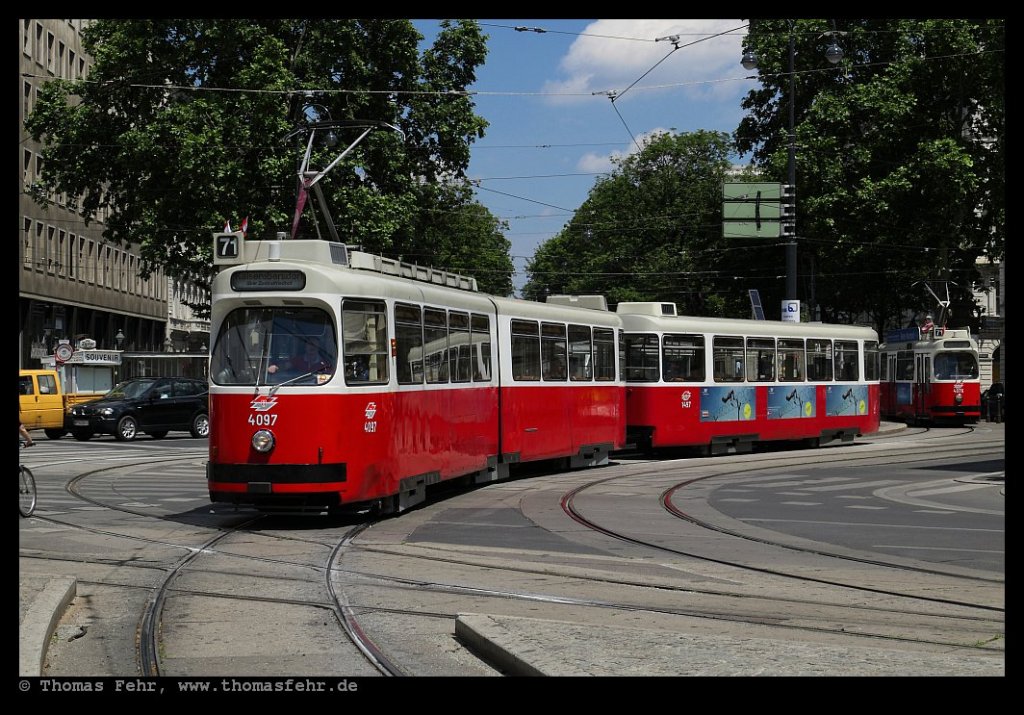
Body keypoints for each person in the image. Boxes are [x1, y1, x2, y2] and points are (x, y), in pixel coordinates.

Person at [268, 337, 333, 376]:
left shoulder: (325, 364)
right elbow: (286, 366)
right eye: (310, 344)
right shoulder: (298, 360)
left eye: (315, 345)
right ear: (305, 347)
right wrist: (276, 367)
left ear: (319, 347)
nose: (312, 347)